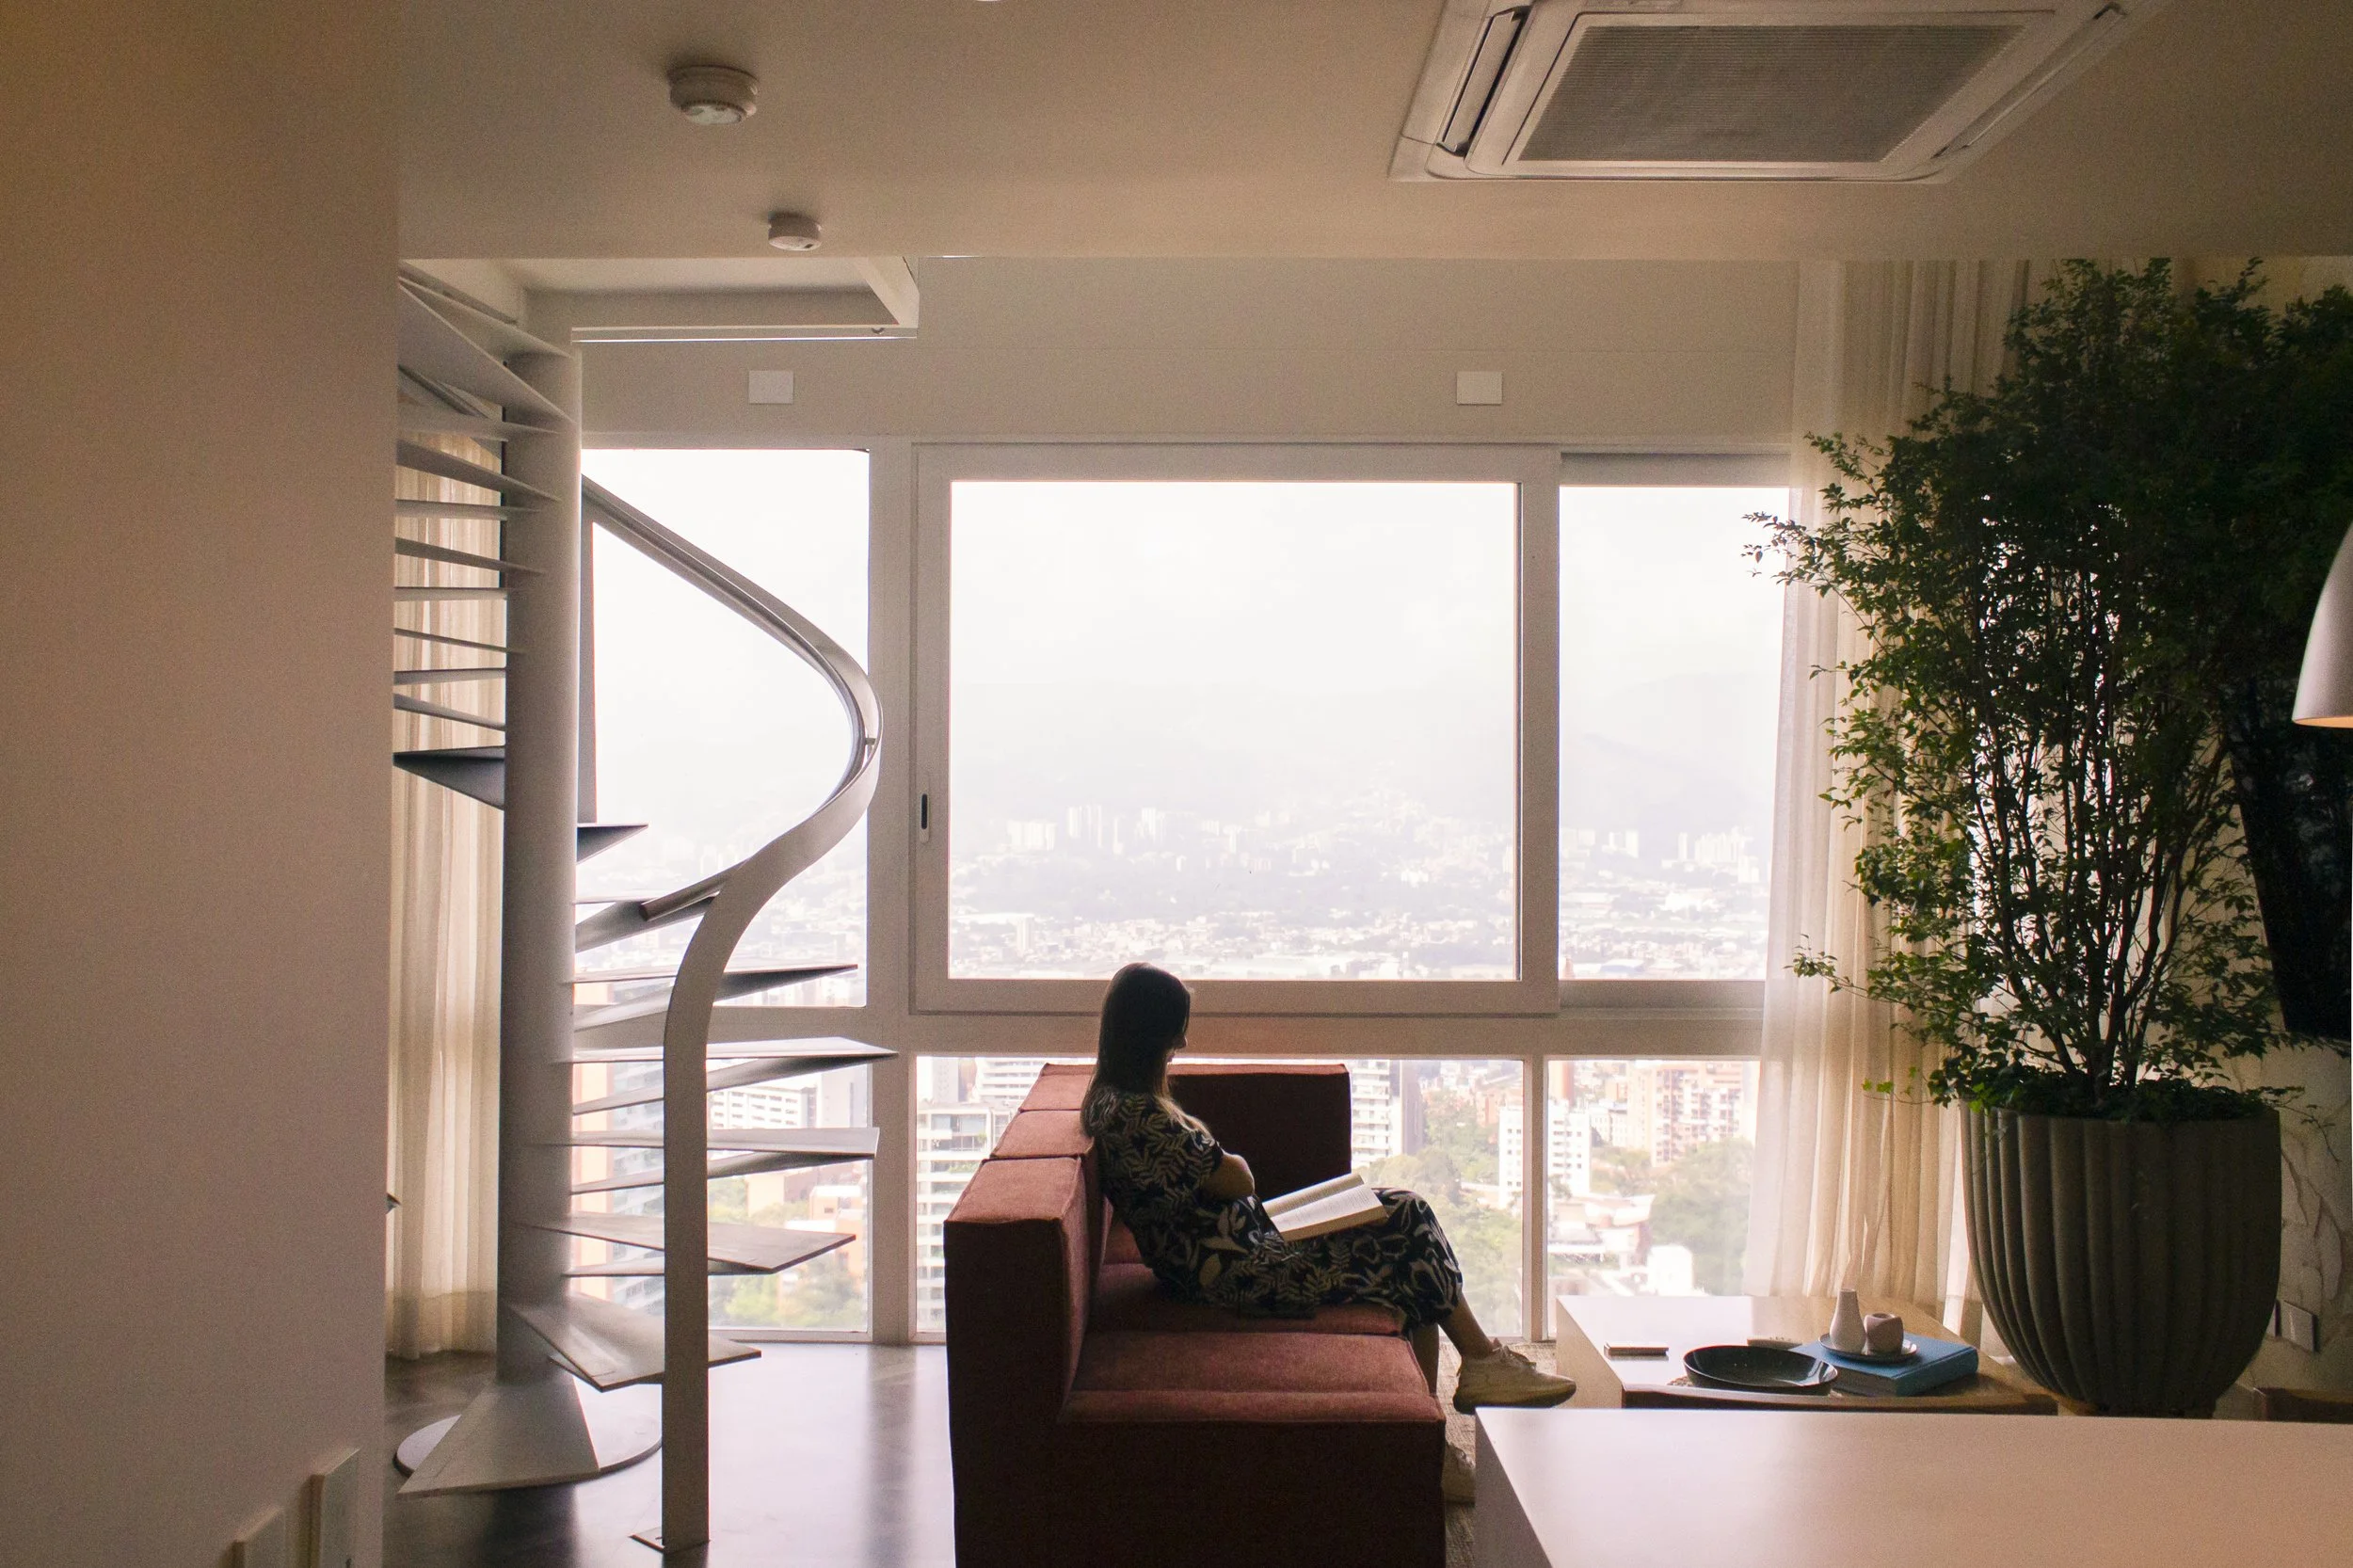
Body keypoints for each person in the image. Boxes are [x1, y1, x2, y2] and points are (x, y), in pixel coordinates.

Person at [1079, 962, 1576, 1503]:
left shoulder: (1111, 1101)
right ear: (1154, 1034)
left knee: (1396, 1215)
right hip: (1235, 1271)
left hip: (1236, 1246)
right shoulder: (1142, 1117)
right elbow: (1236, 1177)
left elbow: (1217, 1184)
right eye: (1177, 1031)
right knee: (1407, 1225)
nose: (1183, 1043)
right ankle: (1473, 1380)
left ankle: (1451, 1415)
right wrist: (1229, 1167)